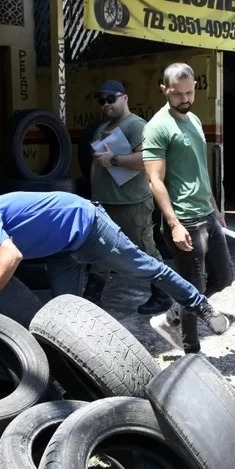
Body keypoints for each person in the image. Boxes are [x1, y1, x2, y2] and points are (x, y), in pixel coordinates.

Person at [0, 192, 229, 337]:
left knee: (146, 268)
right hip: (60, 251)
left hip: (85, 226)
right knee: (63, 310)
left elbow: (12, 256)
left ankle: (201, 306)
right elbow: (2, 242)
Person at [142, 62, 234, 354]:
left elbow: (199, 170)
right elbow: (154, 180)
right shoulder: (157, 127)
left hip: (206, 214)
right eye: (178, 94)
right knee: (193, 287)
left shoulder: (193, 120)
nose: (185, 99)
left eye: (190, 92)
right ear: (164, 89)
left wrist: (215, 208)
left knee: (223, 277)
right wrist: (173, 223)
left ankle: (171, 317)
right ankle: (191, 354)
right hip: (184, 218)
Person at [82, 79, 172, 315]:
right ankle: (92, 298)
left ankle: (164, 296)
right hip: (107, 203)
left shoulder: (136, 125)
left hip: (131, 204)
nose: (106, 104)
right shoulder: (105, 128)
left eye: (111, 99)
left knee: (145, 251)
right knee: (100, 251)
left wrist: (114, 159)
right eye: (102, 101)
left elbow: (146, 160)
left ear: (125, 98)